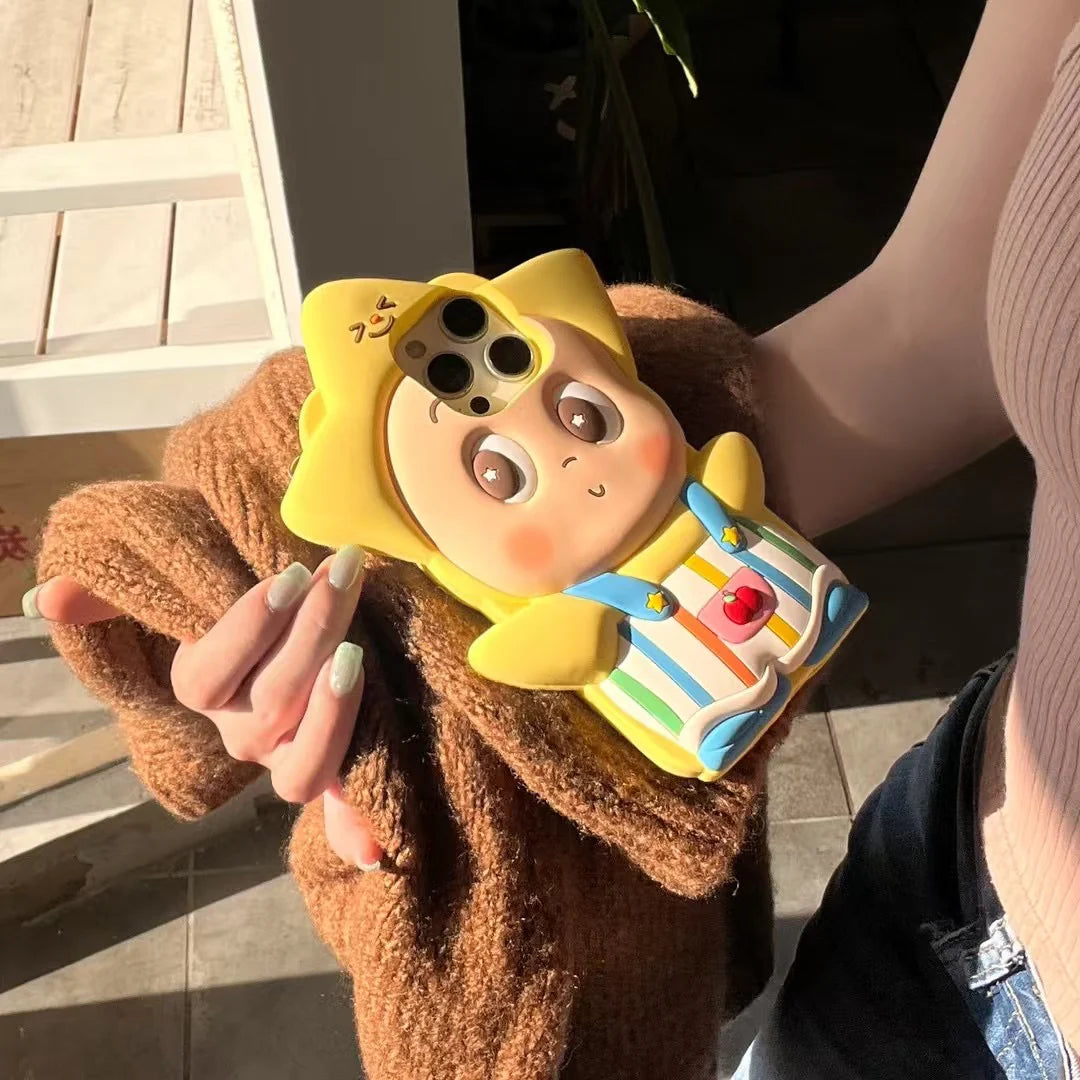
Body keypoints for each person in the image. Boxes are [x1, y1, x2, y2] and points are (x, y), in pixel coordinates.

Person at [22, 0, 1080, 1074]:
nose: (579, 466)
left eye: (579, 419)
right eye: (508, 470)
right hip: (951, 870)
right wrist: (359, 615)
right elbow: (932, 325)